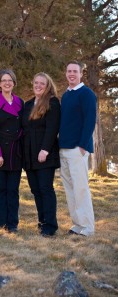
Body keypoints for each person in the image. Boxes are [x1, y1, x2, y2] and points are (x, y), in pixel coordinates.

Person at [59, 60, 97, 236]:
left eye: (75, 71)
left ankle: (87, 227)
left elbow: (90, 120)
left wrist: (82, 146)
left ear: (81, 73)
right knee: (70, 189)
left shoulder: (86, 94)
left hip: (77, 149)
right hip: (64, 148)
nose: (71, 74)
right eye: (69, 71)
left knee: (81, 188)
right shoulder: (66, 95)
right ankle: (77, 224)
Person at [0, 69, 24, 233]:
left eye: (10, 80)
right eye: (4, 80)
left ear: (14, 83)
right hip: (0, 152)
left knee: (13, 190)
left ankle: (13, 224)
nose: (7, 83)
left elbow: (23, 126)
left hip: (16, 152)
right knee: (1, 189)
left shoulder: (20, 102)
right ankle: (1, 224)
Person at [22, 72, 61, 237]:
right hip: (29, 154)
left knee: (45, 189)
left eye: (42, 83)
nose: (38, 85)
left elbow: (52, 129)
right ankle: (42, 221)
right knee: (36, 190)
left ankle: (50, 226)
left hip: (45, 154)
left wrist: (44, 150)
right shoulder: (28, 104)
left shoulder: (53, 102)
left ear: (48, 86)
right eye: (36, 82)